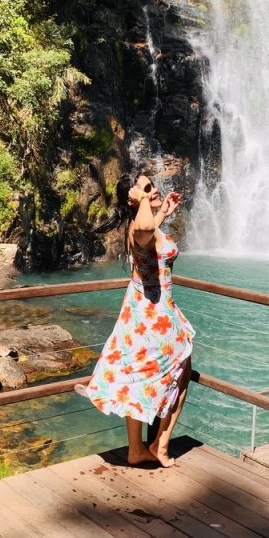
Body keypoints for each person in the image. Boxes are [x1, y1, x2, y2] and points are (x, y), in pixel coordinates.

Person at [76, 173, 194, 467]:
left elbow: (147, 231)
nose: (154, 190)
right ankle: (160, 446)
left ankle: (135, 449)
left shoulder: (138, 226)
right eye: (146, 188)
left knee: (136, 379)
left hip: (142, 311)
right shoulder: (139, 227)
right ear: (132, 197)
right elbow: (145, 230)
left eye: (153, 185)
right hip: (156, 317)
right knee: (179, 374)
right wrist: (144, 200)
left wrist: (162, 212)